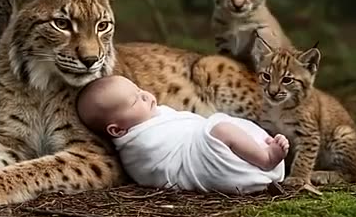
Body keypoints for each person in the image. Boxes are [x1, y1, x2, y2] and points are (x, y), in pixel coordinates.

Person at [77, 75, 287, 195]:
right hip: (210, 166)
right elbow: (171, 161)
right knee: (220, 128)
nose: (146, 95)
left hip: (213, 156)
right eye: (135, 100)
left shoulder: (155, 117)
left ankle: (259, 149)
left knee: (224, 125)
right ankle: (266, 158)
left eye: (139, 90)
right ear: (117, 130)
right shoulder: (139, 146)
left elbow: (187, 126)